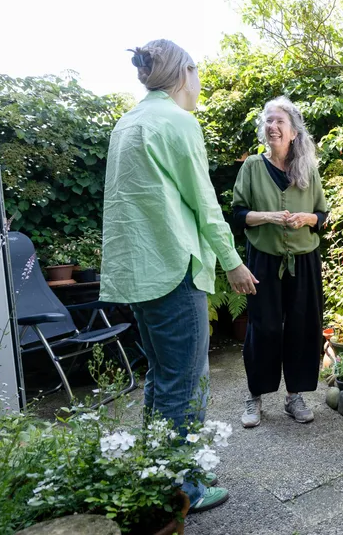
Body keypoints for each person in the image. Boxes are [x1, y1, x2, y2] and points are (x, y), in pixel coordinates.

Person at [101, 39, 258, 513]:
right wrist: (232, 261)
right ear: (184, 72)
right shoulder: (177, 122)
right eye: (197, 71)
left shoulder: (127, 124)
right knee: (186, 382)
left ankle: (161, 473)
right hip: (173, 269)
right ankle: (180, 489)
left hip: (137, 271)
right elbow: (204, 202)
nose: (199, 81)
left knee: (162, 378)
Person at [232, 96, 328, 429]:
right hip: (264, 260)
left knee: (303, 328)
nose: (272, 127)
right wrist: (267, 216)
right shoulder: (253, 167)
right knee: (264, 327)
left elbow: (323, 216)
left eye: (279, 122)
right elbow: (238, 215)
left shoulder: (308, 169)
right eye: (268, 121)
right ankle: (255, 397)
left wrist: (308, 219)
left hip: (303, 260)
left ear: (293, 132)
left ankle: (295, 397)